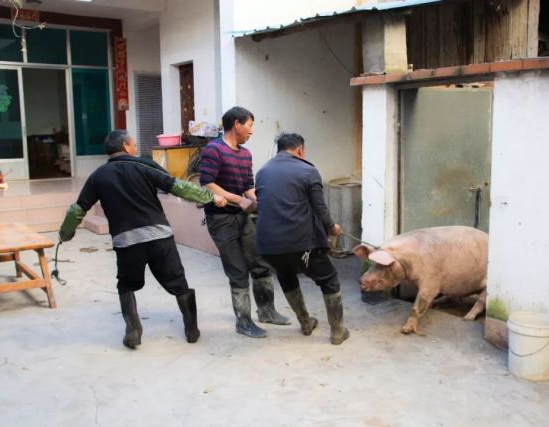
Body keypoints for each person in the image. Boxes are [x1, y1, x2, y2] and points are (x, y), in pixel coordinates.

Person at [59, 130, 227, 349]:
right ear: (126, 146)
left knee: (126, 284)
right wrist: (211, 197)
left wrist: (66, 233)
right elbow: (179, 187)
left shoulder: (98, 176)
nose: (136, 148)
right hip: (158, 235)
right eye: (134, 144)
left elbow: (77, 210)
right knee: (178, 282)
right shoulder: (145, 167)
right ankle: (192, 329)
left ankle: (133, 331)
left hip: (126, 240)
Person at [199, 106, 289, 338]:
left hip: (242, 217)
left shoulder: (245, 154)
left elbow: (248, 186)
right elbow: (207, 182)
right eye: (249, 125)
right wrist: (238, 199)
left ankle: (267, 311)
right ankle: (243, 322)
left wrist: (260, 201)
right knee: (237, 270)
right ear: (236, 124)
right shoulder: (214, 150)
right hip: (220, 219)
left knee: (260, 263)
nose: (251, 131)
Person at [255, 133, 349, 345]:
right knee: (328, 279)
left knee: (286, 275)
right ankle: (337, 332)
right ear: (300, 150)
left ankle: (305, 322)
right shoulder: (308, 170)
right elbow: (320, 207)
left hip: (267, 245)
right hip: (301, 242)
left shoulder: (262, 172)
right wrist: (332, 227)